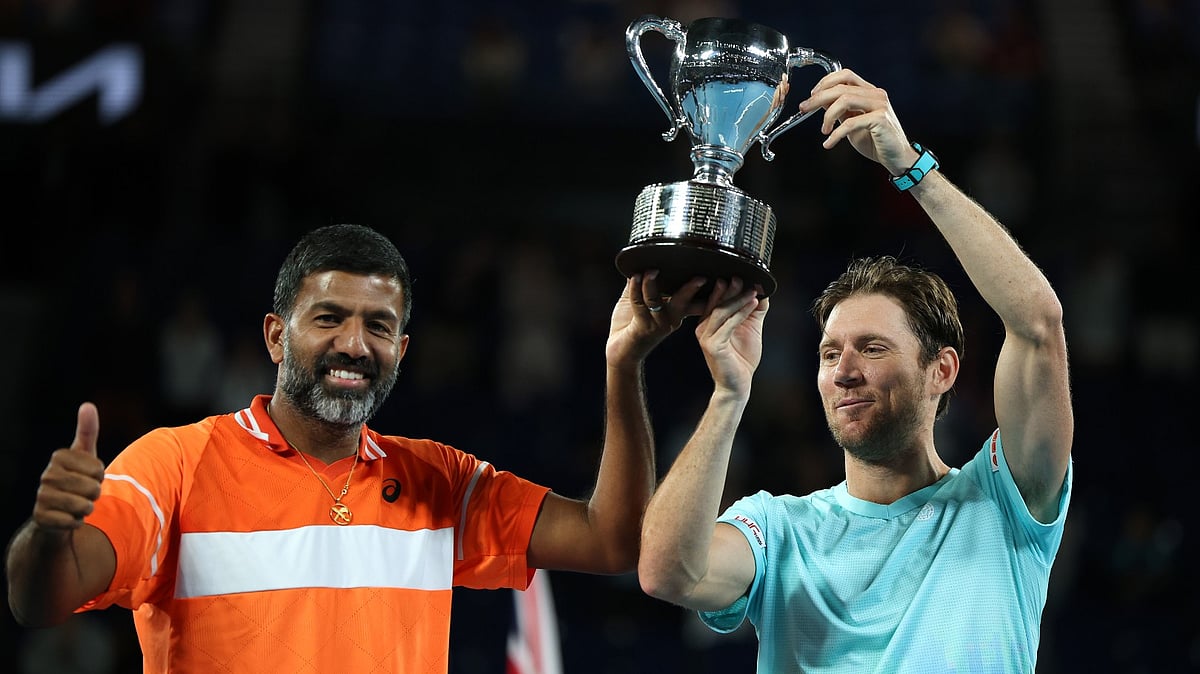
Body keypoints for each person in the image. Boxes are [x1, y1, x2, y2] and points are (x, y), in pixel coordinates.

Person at [5, 223, 705, 673]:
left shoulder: (438, 479)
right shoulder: (174, 465)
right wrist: (47, 534)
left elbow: (611, 543)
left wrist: (623, 364)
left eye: (378, 326)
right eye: (329, 318)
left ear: (399, 350)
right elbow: (42, 599)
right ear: (278, 336)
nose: (353, 344)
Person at [637, 68, 1074, 672]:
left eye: (872, 348)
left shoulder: (1002, 503)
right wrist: (728, 396)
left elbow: (1037, 324)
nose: (843, 371)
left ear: (941, 370)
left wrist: (912, 170)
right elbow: (666, 572)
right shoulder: (779, 530)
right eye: (829, 352)